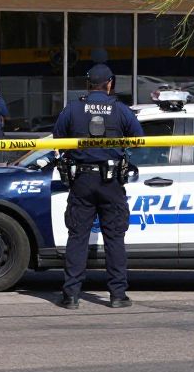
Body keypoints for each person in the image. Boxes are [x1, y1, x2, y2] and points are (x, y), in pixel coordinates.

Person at [52, 63, 143, 310]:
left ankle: (71, 296)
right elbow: (138, 138)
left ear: (88, 84)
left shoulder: (73, 108)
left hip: (81, 180)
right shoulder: (121, 110)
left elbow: (58, 139)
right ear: (110, 84)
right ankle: (117, 295)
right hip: (111, 181)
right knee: (114, 237)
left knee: (78, 237)